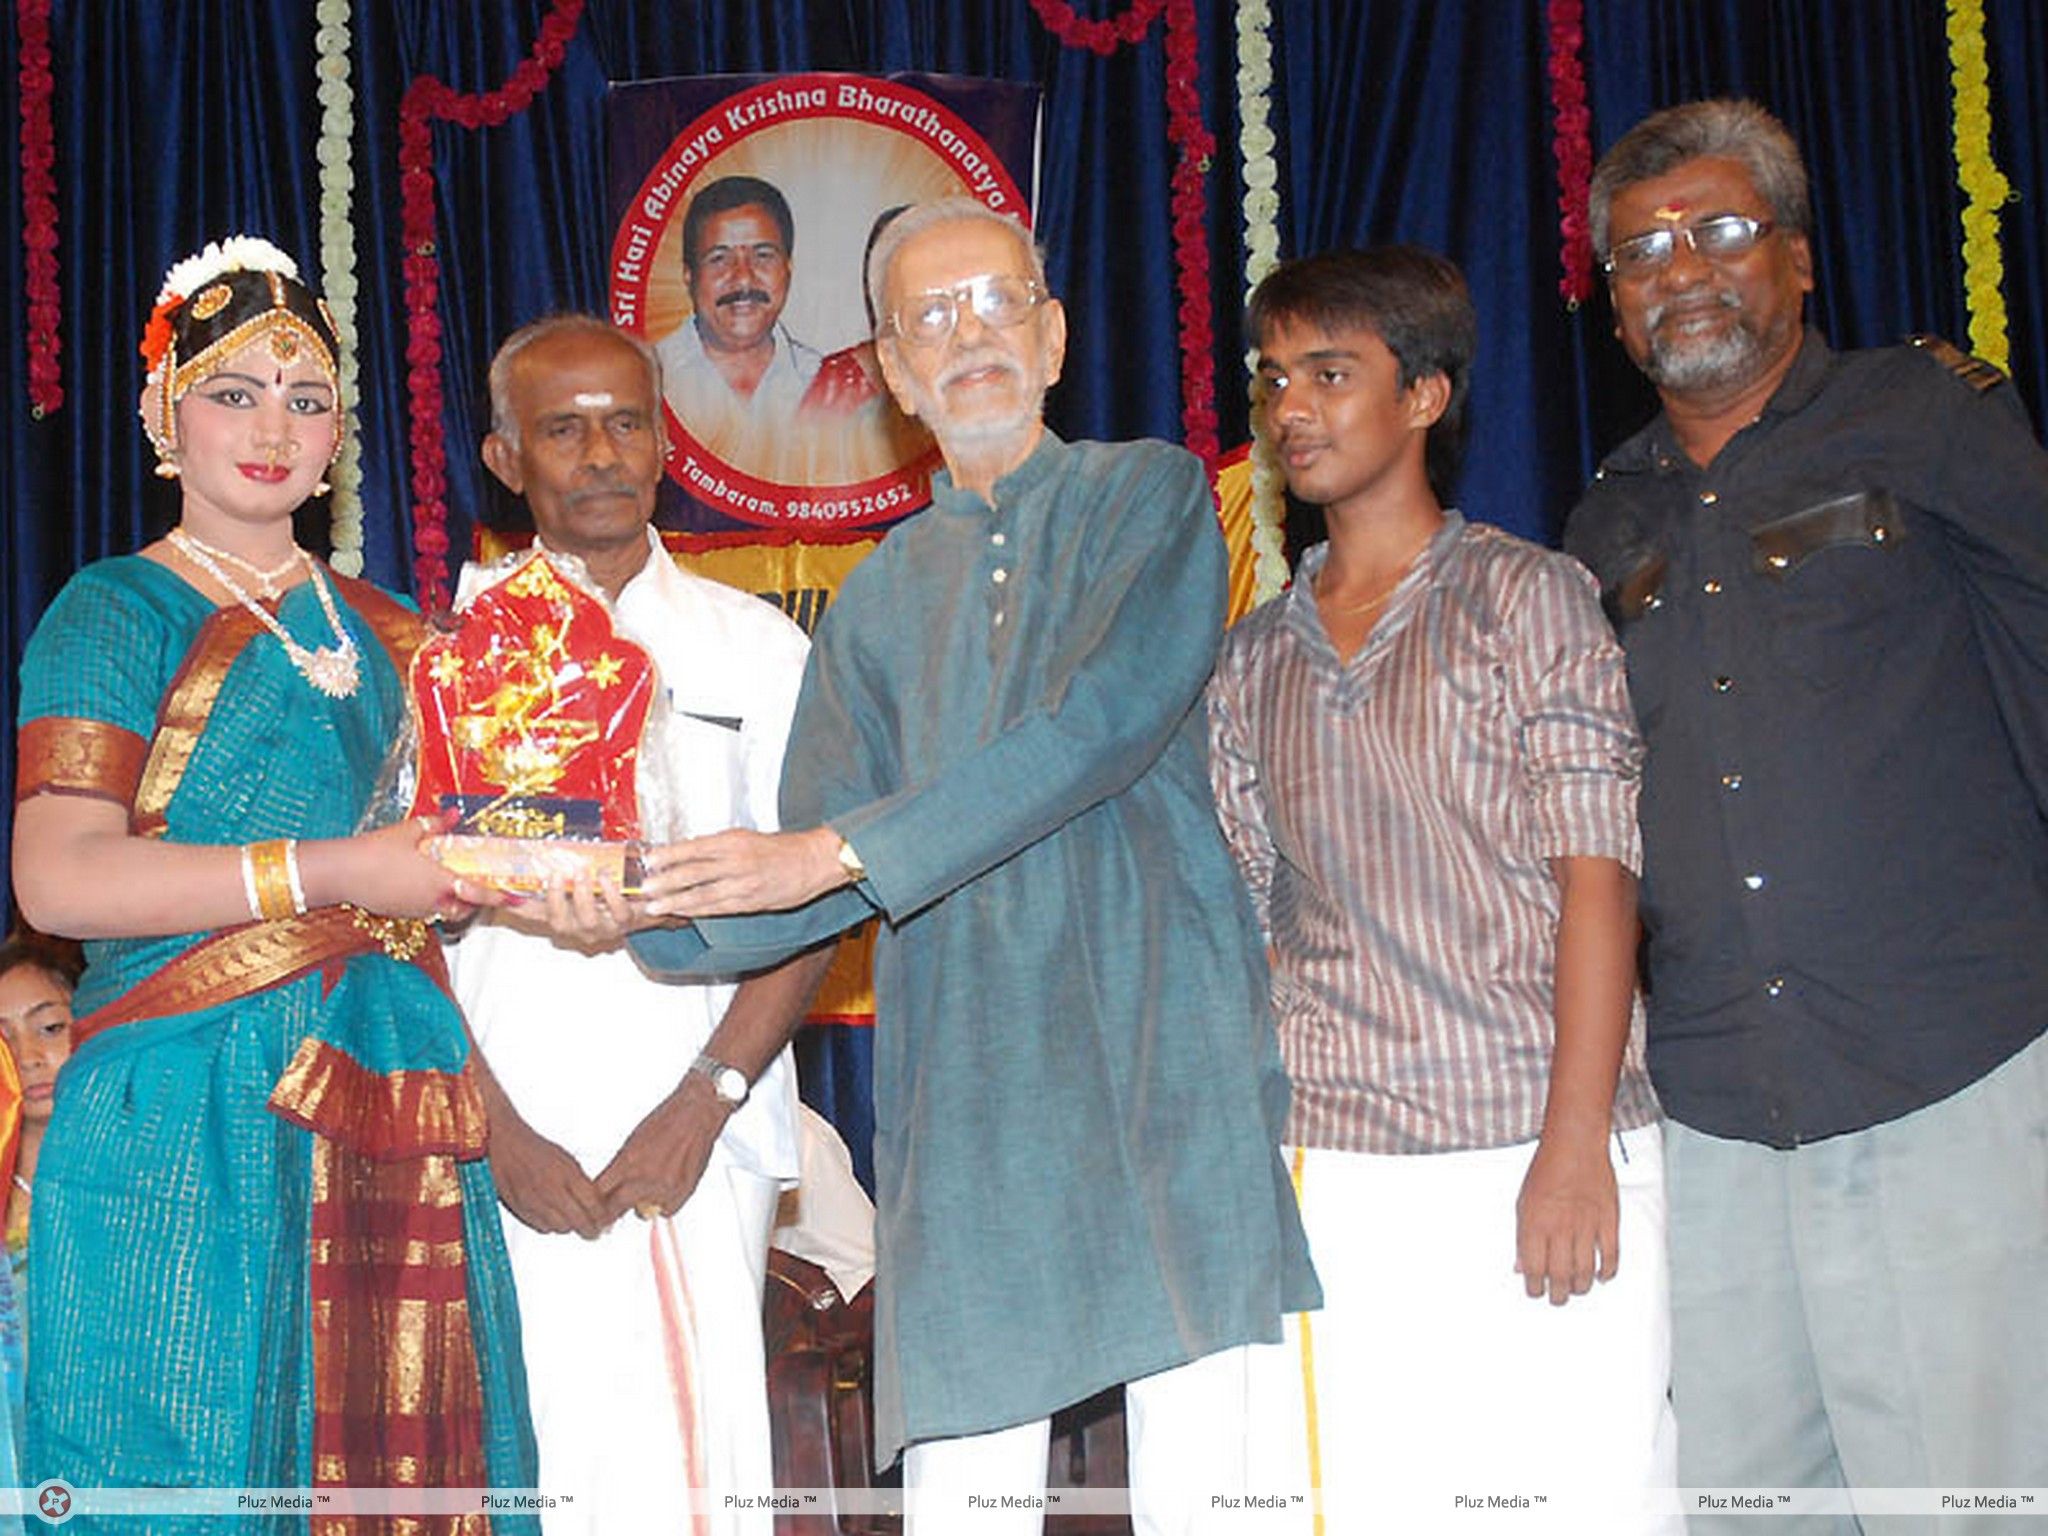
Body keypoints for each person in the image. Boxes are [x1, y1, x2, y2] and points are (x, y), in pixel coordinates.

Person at [609, 197, 1320, 1534]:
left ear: (1052, 337)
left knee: (1219, 1485)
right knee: (967, 1492)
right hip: (975, 1079)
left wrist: (826, 851)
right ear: (888, 374)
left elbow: (1098, 731)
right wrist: (642, 910)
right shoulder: (875, 599)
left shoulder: (1148, 495)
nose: (970, 336)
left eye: (998, 303)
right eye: (931, 318)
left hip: (1162, 1045)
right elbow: (804, 875)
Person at [1564, 99, 2048, 1522]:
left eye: (1719, 231)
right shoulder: (1605, 526)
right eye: (1642, 251)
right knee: (1749, 1505)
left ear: (1796, 256)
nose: (1681, 271)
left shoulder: (1925, 416)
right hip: (1716, 1108)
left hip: (1943, 1064)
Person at [9, 237, 537, 1529]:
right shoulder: (114, 610)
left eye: (306, 399)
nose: (271, 427)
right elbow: (58, 879)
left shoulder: (400, 630)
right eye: (233, 391)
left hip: (387, 1096)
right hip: (176, 1111)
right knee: (180, 1479)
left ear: (341, 433)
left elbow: (470, 851)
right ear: (163, 414)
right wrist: (347, 870)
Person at [1208, 247, 1677, 1530]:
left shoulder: (1526, 598)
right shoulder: (1248, 660)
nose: (1289, 408)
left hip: (1539, 1139)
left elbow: (1599, 873)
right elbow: (1248, 926)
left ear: (1422, 396)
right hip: (1334, 1162)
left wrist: (1571, 1144)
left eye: (1328, 373)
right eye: (1271, 380)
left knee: (1578, 1500)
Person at [447, 313, 832, 1533]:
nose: (601, 453)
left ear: (664, 444)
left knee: (696, 1464)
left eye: (625, 423)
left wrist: (701, 1103)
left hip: (694, 1133)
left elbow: (818, 900)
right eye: (563, 429)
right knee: (530, 1463)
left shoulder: (757, 649)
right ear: (507, 459)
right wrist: (491, 1129)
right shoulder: (452, 657)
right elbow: (397, 923)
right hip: (504, 1129)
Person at [655, 176, 820, 458]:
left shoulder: (823, 383)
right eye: (720, 258)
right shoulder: (648, 381)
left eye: (763, 255)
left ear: (788, 268)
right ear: (689, 275)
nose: (743, 278)